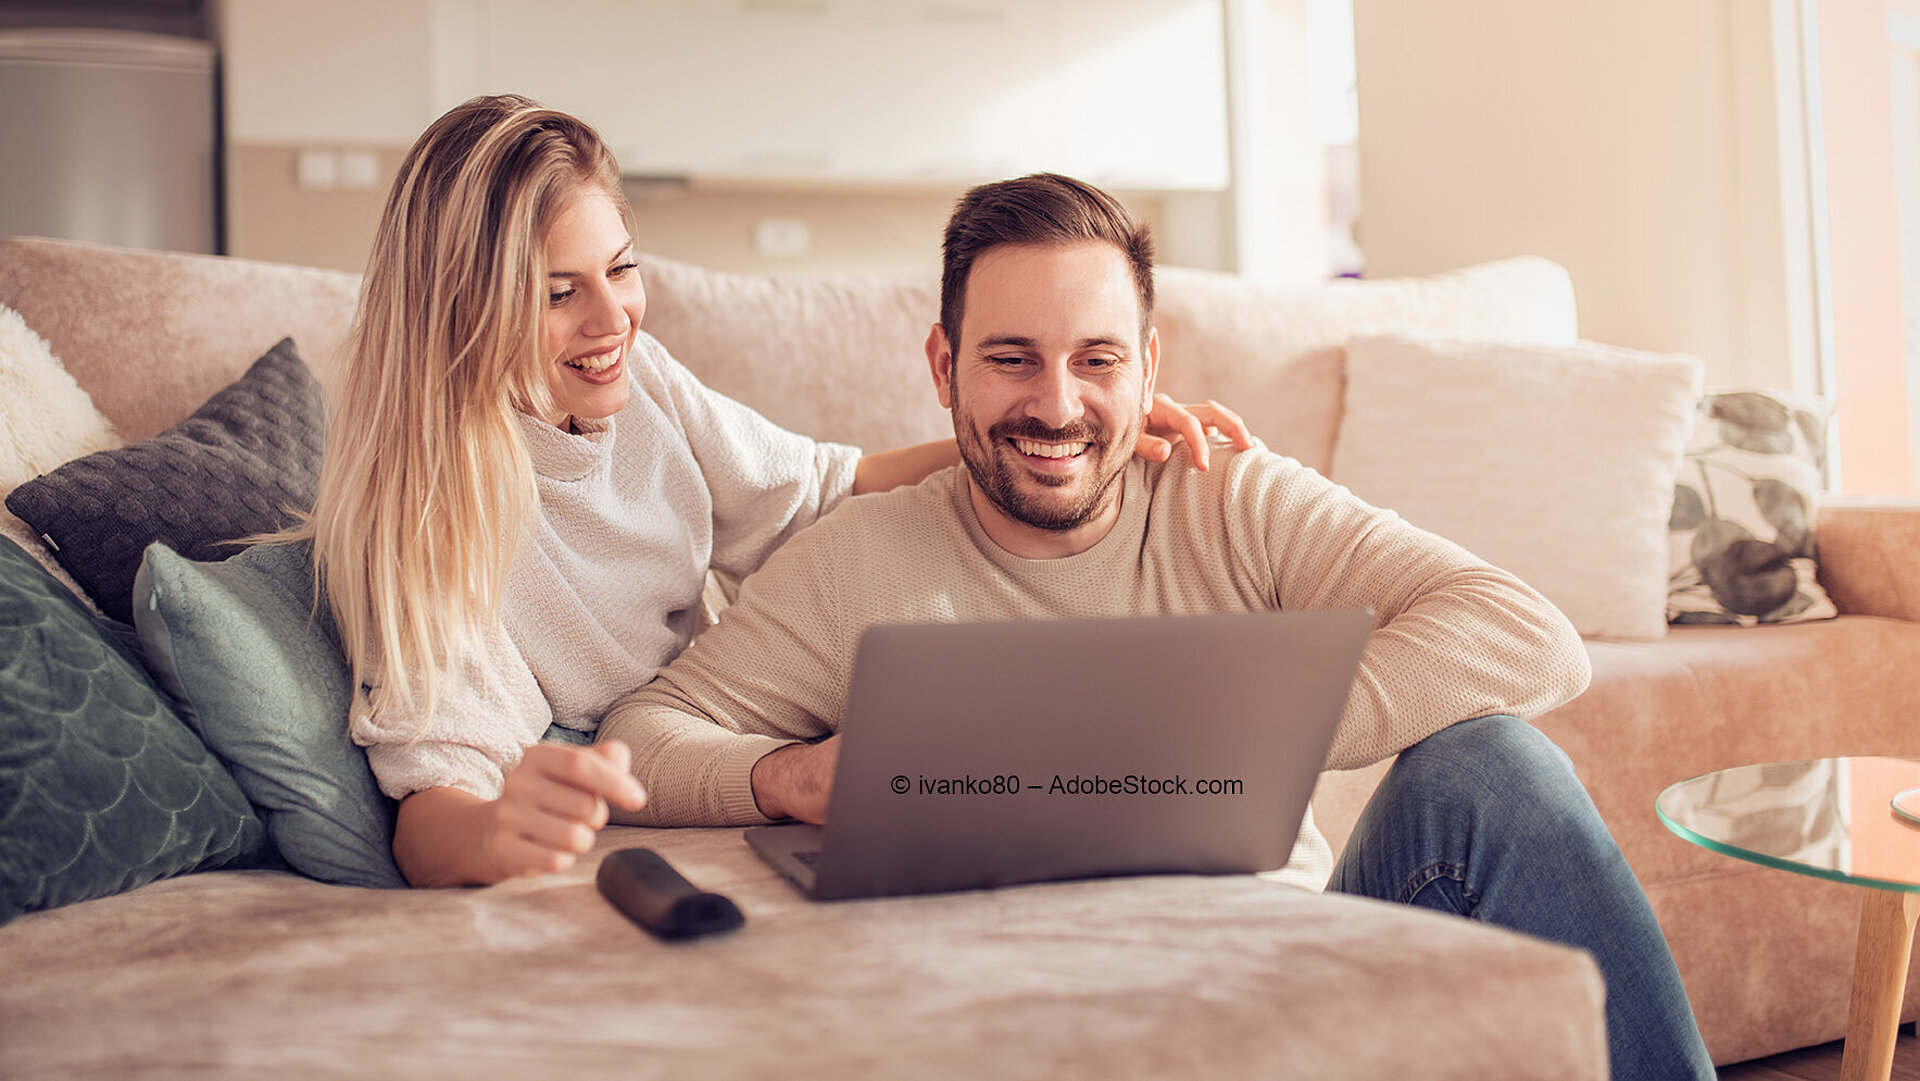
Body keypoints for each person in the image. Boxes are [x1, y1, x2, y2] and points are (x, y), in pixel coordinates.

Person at [598, 173, 1716, 1079]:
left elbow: (1527, 634)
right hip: (1016, 1019)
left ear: (1148, 369)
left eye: (1097, 359)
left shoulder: (1227, 496)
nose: (1057, 403)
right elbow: (644, 738)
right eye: (1010, 358)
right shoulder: (860, 558)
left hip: (1284, 979)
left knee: (1498, 764)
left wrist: (1228, 739)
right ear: (944, 369)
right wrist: (790, 776)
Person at [297, 97, 1247, 890]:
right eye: (558, 294)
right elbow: (431, 812)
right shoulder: (430, 509)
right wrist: (499, 829)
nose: (611, 318)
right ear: (464, 302)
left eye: (622, 269)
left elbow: (826, 488)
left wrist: (1075, 430)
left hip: (716, 736)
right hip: (634, 797)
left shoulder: (644, 384)